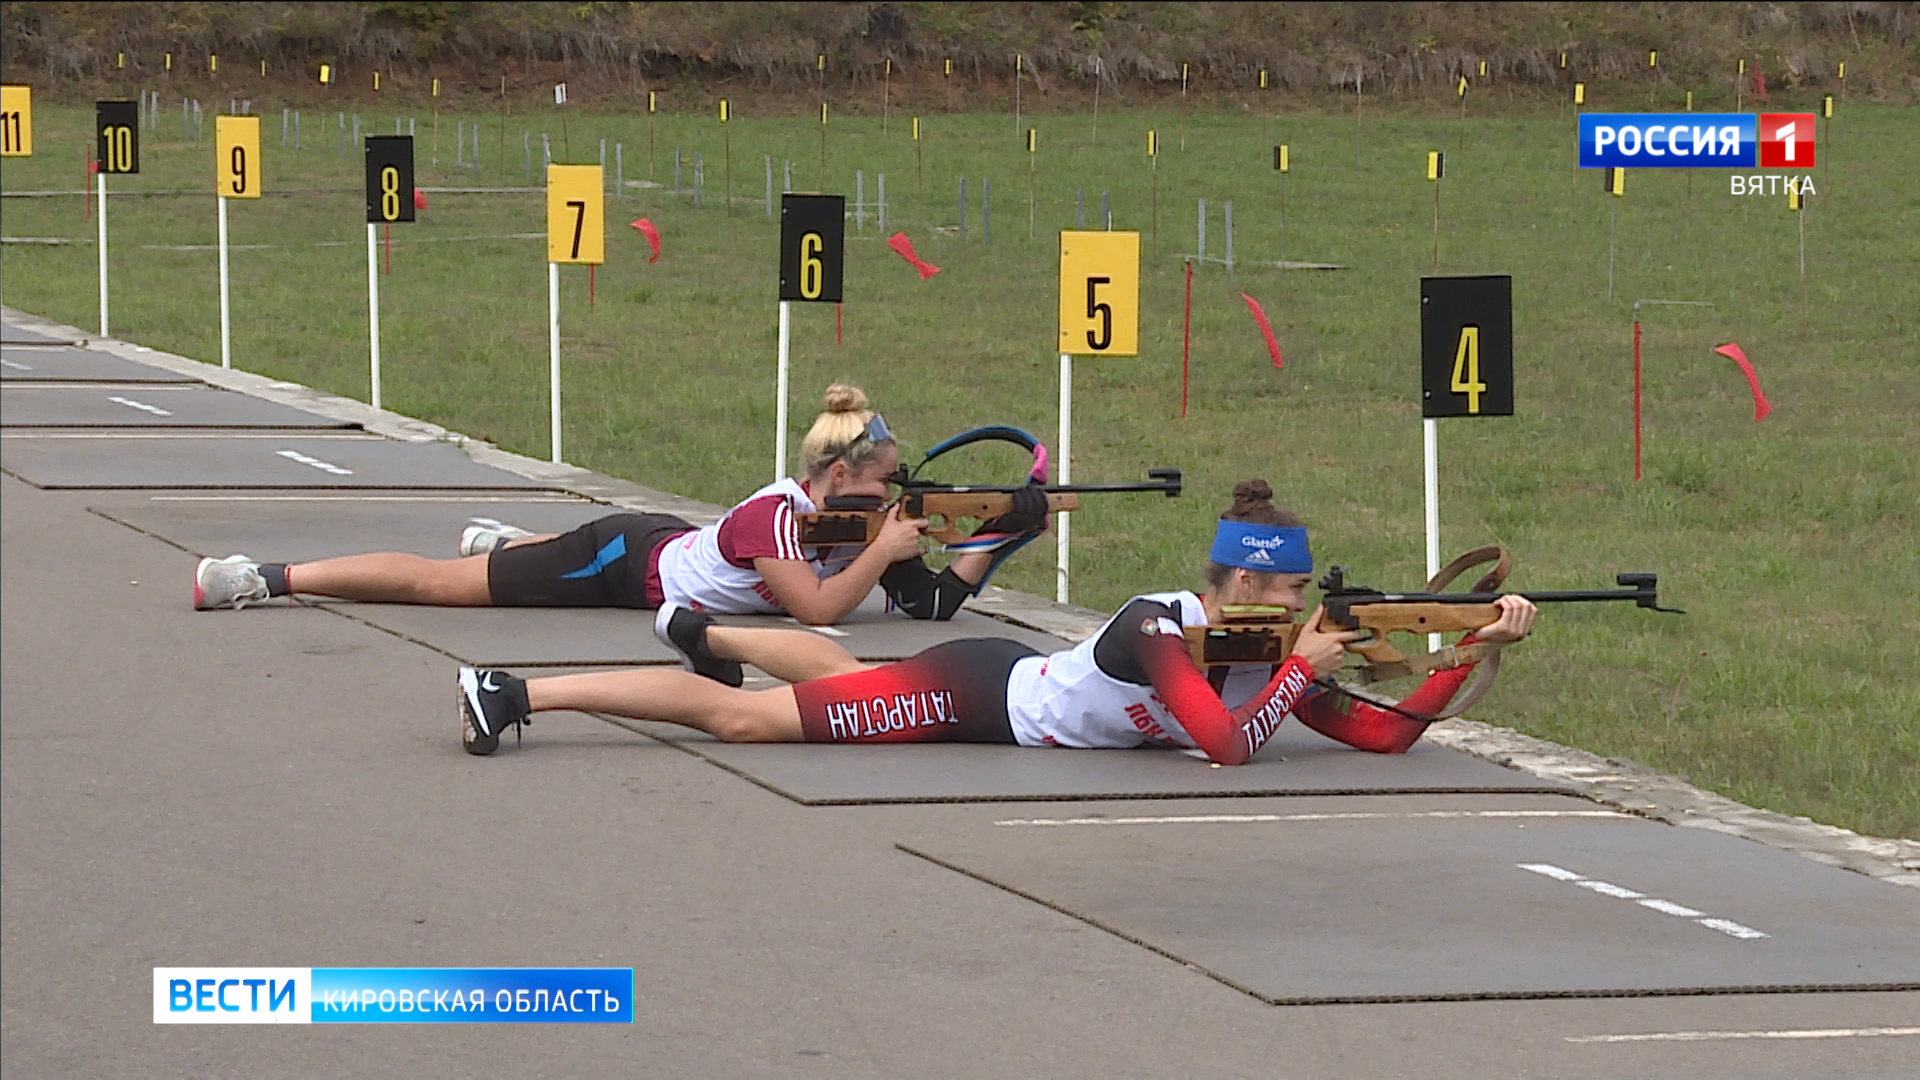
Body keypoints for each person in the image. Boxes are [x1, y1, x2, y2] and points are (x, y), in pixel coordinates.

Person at [454, 479, 1537, 757]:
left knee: (830, 671)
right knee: (749, 721)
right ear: (1248, 588)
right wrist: (1301, 670)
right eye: (1294, 596)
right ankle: (517, 690)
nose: (1303, 613)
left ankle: (706, 633)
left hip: (992, 679)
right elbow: (1222, 743)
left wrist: (1467, 654)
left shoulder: (1261, 652)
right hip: (972, 696)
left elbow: (1384, 733)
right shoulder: (1158, 629)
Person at [190, 386, 1050, 656]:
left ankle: (509, 544)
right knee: (440, 587)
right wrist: (890, 545)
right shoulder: (773, 519)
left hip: (663, 552)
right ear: (835, 478)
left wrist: (999, 532)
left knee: (510, 562)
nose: (895, 497)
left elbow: (935, 605)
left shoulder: (861, 528)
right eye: (886, 483)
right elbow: (817, 610)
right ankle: (269, 577)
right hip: (618, 561)